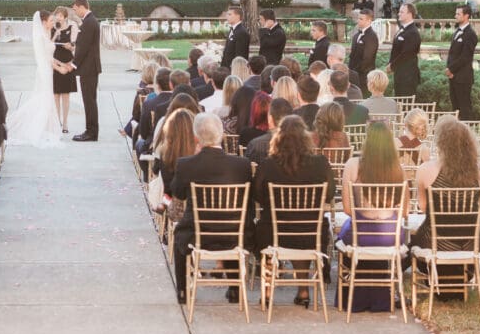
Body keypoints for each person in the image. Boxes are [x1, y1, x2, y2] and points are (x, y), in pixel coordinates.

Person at [171, 113, 255, 304]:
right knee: (229, 222)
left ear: (196, 138)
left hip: (198, 235)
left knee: (179, 234)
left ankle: (183, 291)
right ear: (222, 135)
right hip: (235, 234)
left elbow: (178, 193)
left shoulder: (186, 164)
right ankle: (234, 289)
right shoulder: (242, 165)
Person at [253, 115, 334, 308]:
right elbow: (330, 193)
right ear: (305, 137)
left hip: (274, 231)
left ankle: (266, 289)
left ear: (278, 138)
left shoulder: (268, 165)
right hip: (309, 232)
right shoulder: (320, 163)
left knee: (265, 227)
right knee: (305, 230)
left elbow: (257, 194)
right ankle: (303, 289)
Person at [410, 117, 480, 297]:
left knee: (412, 239)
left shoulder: (426, 170)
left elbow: (422, 207)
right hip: (469, 242)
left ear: (441, 143)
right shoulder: (478, 171)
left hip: (435, 242)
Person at [337, 121, 406, 312]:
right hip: (390, 236)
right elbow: (405, 212)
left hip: (361, 234)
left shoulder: (353, 165)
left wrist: (366, 215)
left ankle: (354, 295)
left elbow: (348, 209)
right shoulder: (398, 169)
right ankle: (384, 294)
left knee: (341, 233)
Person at [6, 11, 63, 147]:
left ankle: (46, 128)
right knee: (45, 99)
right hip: (44, 71)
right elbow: (46, 58)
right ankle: (36, 128)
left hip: (48, 70)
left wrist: (61, 64)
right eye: (50, 21)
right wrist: (59, 67)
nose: (53, 23)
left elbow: (49, 53)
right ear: (43, 22)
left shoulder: (46, 34)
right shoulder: (40, 37)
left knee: (46, 99)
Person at [152, 109, 197, 212]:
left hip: (178, 205)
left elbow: (169, 188)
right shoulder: (199, 152)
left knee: (167, 196)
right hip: (199, 205)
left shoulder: (166, 153)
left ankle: (162, 205)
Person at [70, 0, 101, 142]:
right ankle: (91, 131)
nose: (75, 12)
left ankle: (91, 132)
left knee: (89, 101)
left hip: (88, 68)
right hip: (89, 68)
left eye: (75, 9)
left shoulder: (89, 22)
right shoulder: (90, 21)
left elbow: (83, 48)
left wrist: (74, 64)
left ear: (82, 7)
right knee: (90, 100)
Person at [446, 4, 478, 120]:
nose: (456, 16)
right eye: (456, 13)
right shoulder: (457, 32)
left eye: (458, 14)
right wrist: (449, 70)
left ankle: (467, 135)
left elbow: (465, 57)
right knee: (456, 109)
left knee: (465, 109)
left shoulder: (471, 34)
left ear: (466, 16)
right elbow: (452, 54)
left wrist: (451, 69)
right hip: (453, 77)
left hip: (463, 78)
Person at [51, 6, 78, 134]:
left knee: (66, 95)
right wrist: (56, 31)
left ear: (65, 17)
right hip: (55, 63)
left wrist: (70, 47)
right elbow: (48, 44)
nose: (58, 17)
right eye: (57, 15)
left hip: (67, 63)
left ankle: (65, 123)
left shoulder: (72, 27)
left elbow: (74, 46)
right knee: (56, 94)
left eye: (61, 16)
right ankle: (57, 121)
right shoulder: (52, 28)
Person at [387, 3, 422, 98]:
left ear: (410, 14)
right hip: (400, 75)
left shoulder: (413, 32)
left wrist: (392, 65)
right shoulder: (402, 29)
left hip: (408, 77)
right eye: (399, 12)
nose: (399, 14)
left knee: (406, 106)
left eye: (402, 12)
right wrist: (391, 63)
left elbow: (406, 54)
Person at [349, 9, 379, 96]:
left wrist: (356, 73)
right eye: (358, 18)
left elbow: (367, 58)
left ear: (369, 20)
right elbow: (352, 56)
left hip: (364, 75)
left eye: (361, 19)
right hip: (353, 75)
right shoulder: (356, 35)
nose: (358, 20)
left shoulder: (372, 36)